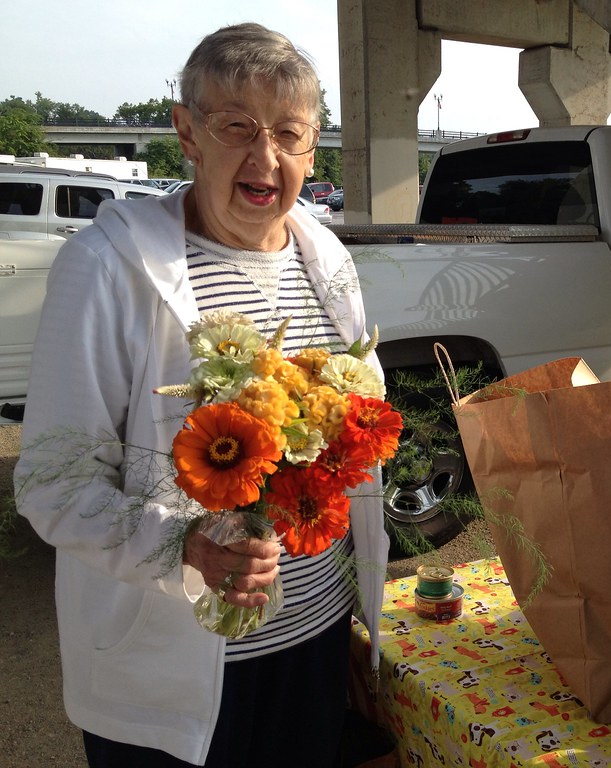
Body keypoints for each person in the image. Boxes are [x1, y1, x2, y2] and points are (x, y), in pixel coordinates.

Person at [14, 23, 388, 767]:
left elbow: (344, 462)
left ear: (314, 149)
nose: (265, 158)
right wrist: (184, 546)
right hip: (164, 681)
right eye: (237, 127)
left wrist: (346, 612)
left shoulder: (327, 257)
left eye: (289, 133)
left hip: (309, 651)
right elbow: (52, 482)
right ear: (187, 132)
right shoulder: (107, 267)